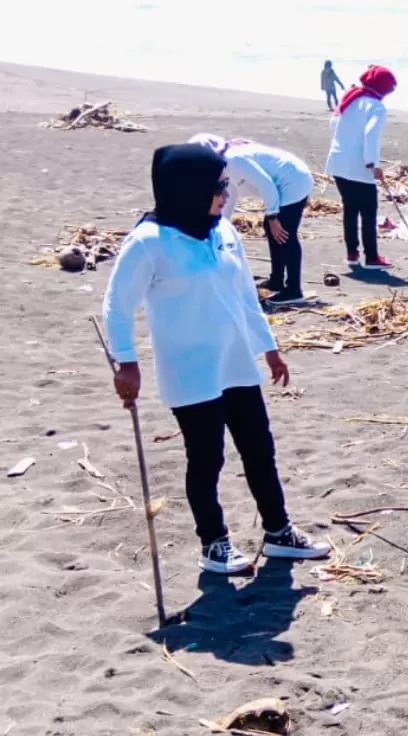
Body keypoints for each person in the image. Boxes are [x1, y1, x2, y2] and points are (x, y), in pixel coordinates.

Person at [102, 144, 332, 576]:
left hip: (236, 361)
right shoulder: (149, 242)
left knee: (259, 448)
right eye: (218, 187)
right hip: (190, 368)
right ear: (186, 189)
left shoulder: (222, 231)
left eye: (225, 185)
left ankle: (279, 533)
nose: (226, 195)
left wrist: (270, 348)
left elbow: (246, 295)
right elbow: (116, 306)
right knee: (207, 457)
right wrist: (126, 363)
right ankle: (214, 543)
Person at [190, 134, 315, 306]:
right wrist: (218, 225)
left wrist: (272, 216)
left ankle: (294, 289)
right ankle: (277, 280)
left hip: (294, 181)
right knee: (272, 230)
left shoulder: (233, 159)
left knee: (285, 233)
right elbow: (230, 194)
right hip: (285, 181)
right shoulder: (225, 165)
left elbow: (266, 184)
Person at [326, 64, 396, 269]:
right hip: (359, 165)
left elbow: (333, 125)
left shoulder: (351, 98)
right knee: (368, 212)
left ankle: (352, 253)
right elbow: (370, 134)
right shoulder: (376, 106)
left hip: (338, 161)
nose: (389, 93)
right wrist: (373, 163)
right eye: (390, 88)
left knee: (350, 209)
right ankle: (372, 257)